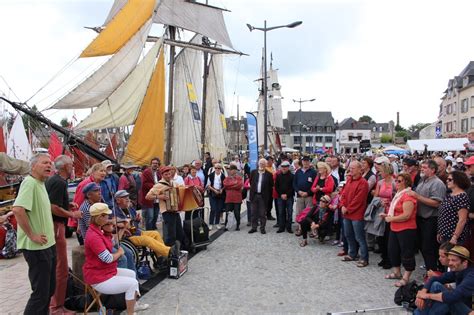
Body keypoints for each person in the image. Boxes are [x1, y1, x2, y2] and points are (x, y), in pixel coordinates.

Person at [83, 203, 148, 315]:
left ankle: (133, 305)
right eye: (107, 216)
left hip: (105, 271)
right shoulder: (94, 236)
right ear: (100, 217)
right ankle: (130, 313)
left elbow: (112, 242)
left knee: (132, 274)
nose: (109, 218)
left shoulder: (99, 230)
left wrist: (121, 230)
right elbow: (107, 258)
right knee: (132, 283)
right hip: (98, 276)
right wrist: (119, 253)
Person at [12, 153, 56, 314]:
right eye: (45, 163)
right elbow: (17, 209)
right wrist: (32, 235)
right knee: (40, 293)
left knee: (49, 290)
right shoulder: (29, 183)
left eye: (50, 163)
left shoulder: (41, 183)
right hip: (36, 247)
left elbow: (39, 207)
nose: (49, 166)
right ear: (33, 166)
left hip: (48, 244)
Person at [45, 155, 81, 314]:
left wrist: (67, 204)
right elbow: (53, 207)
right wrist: (71, 214)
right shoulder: (59, 182)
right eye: (71, 164)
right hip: (56, 226)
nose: (73, 166)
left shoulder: (55, 181)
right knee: (60, 268)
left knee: (58, 266)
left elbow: (54, 203)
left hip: (54, 225)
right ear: (65, 167)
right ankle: (56, 307)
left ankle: (55, 304)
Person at [115, 190, 179, 259]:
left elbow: (134, 221)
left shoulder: (129, 208)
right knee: (147, 240)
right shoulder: (115, 212)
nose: (127, 199)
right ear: (118, 200)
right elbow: (120, 225)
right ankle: (169, 251)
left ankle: (161, 258)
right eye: (124, 197)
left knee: (155, 233)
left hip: (136, 232)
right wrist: (127, 222)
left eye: (127, 196)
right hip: (128, 236)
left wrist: (137, 219)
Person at [408, 159, 447, 271]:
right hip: (420, 218)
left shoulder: (437, 183)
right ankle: (430, 270)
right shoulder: (423, 180)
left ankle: (433, 271)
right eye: (422, 167)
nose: (422, 169)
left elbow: (436, 203)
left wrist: (417, 197)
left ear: (433, 169)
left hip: (430, 219)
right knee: (422, 246)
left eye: (425, 168)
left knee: (428, 248)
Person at [414, 246, 474, 315]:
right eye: (449, 260)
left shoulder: (471, 276)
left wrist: (427, 295)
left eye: (453, 260)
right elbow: (434, 279)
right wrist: (422, 294)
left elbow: (454, 296)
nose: (450, 263)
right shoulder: (459, 270)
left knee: (447, 299)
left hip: (468, 310)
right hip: (459, 303)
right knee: (436, 285)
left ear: (465, 262)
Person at [382, 173, 417, 287]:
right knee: (393, 250)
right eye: (396, 180)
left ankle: (406, 276)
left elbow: (407, 215)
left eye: (399, 181)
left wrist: (391, 218)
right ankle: (397, 271)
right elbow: (395, 211)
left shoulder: (408, 196)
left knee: (406, 253)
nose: (396, 183)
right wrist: (387, 215)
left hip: (406, 228)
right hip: (395, 227)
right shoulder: (398, 194)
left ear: (406, 182)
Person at [340, 161, 370, 267]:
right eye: (350, 168)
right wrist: (342, 205)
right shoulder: (349, 180)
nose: (350, 170)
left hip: (357, 214)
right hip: (347, 213)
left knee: (359, 237)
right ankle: (352, 254)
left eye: (353, 168)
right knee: (348, 234)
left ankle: (364, 258)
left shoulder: (363, 183)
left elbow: (359, 200)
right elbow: (343, 194)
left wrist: (347, 208)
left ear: (359, 169)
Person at [145, 166, 184, 246]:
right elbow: (147, 196)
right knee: (171, 234)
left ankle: (178, 250)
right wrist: (159, 197)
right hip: (167, 212)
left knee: (179, 232)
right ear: (162, 175)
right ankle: (167, 251)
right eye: (166, 174)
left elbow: (181, 190)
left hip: (175, 211)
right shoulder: (159, 185)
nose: (168, 176)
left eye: (169, 174)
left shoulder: (174, 183)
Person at [437, 171, 471, 245]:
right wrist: (440, 232)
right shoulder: (449, 195)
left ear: (457, 181)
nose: (447, 181)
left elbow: (462, 220)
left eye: (449, 179)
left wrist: (455, 237)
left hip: (453, 236)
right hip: (445, 234)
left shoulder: (462, 197)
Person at [373, 162, 395, 268]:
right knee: (380, 236)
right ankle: (384, 256)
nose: (379, 173)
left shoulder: (395, 183)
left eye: (381, 171)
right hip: (381, 211)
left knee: (388, 237)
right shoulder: (380, 183)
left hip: (390, 212)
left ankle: (390, 259)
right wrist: (380, 201)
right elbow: (375, 197)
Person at [248, 158, 274, 235]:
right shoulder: (253, 172)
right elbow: (250, 181)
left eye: (263, 164)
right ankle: (254, 227)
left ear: (266, 165)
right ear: (258, 164)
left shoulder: (269, 174)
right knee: (253, 213)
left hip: (263, 196)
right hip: (254, 195)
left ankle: (262, 228)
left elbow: (271, 185)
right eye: (260, 163)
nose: (262, 165)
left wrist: (267, 194)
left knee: (262, 213)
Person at [293, 156, 317, 231]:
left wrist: (308, 192)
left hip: (309, 196)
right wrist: (298, 191)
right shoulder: (298, 171)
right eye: (304, 161)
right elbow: (294, 183)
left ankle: (307, 228)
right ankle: (300, 227)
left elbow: (315, 184)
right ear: (302, 162)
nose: (305, 163)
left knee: (308, 213)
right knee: (299, 212)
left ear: (309, 162)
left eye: (307, 161)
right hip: (300, 195)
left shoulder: (313, 172)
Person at [275, 161, 295, 233]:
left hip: (289, 197)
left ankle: (289, 227)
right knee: (281, 212)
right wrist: (281, 194)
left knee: (290, 212)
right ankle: (281, 227)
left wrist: (287, 195)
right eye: (282, 167)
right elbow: (276, 187)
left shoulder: (292, 176)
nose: (284, 168)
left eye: (285, 167)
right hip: (280, 197)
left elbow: (293, 187)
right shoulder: (278, 176)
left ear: (288, 167)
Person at [223, 164, 243, 231]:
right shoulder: (227, 178)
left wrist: (230, 186)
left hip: (237, 198)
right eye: (231, 170)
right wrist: (234, 184)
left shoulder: (239, 178)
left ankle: (238, 225)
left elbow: (239, 185)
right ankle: (226, 225)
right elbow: (225, 185)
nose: (233, 171)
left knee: (237, 212)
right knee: (228, 212)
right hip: (229, 198)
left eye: (234, 170)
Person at [207, 163, 226, 230]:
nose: (217, 169)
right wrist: (214, 190)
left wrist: (221, 189)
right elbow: (208, 185)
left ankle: (217, 223)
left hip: (220, 194)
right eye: (216, 168)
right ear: (214, 168)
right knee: (213, 208)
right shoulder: (211, 175)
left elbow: (225, 185)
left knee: (219, 209)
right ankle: (211, 223)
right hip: (212, 193)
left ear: (221, 169)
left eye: (219, 168)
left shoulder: (223, 176)